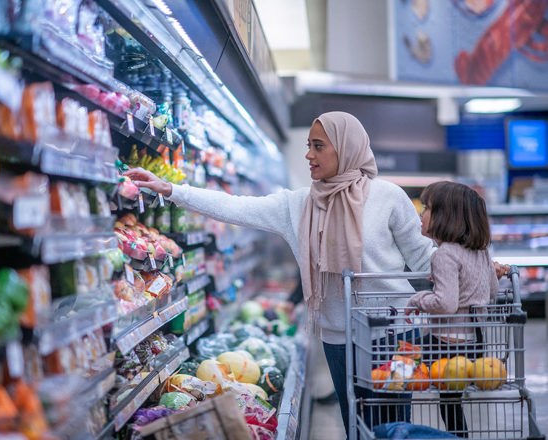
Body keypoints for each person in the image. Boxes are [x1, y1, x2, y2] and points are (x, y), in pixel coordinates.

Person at [125, 111, 437, 432]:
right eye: (308, 145)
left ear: (345, 148)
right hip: (338, 335)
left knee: (395, 426)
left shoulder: (388, 197)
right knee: (356, 425)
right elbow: (236, 206)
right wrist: (173, 190)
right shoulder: (299, 205)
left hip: (393, 332)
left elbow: (424, 257)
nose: (308, 155)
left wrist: (474, 270)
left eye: (318, 146)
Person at [405, 181, 499, 438]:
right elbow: (492, 291)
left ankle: (400, 428)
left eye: (427, 208)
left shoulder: (444, 254)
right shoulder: (481, 252)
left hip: (446, 345)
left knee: (398, 362)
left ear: (447, 216)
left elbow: (446, 304)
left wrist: (418, 299)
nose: (422, 214)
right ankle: (459, 436)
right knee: (451, 401)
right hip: (474, 345)